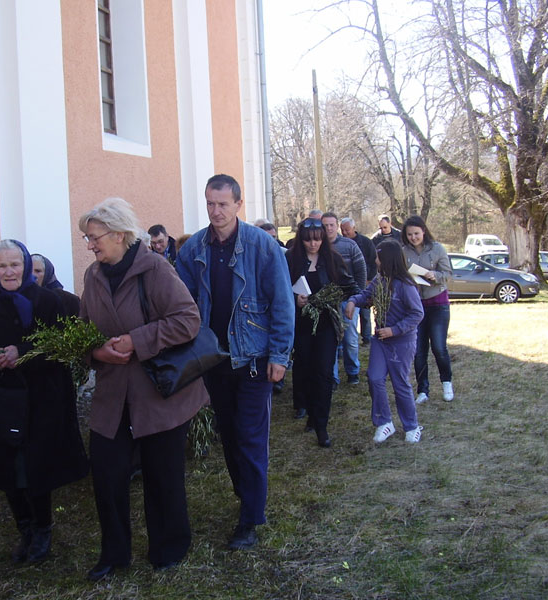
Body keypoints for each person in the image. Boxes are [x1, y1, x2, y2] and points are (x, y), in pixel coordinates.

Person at [78, 198, 208, 580]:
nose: (89, 245)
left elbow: (188, 320)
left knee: (162, 474)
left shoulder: (154, 268)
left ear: (119, 234)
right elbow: (83, 330)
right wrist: (96, 350)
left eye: (94, 237)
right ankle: (114, 553)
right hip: (112, 393)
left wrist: (137, 340)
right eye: (86, 238)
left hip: (158, 393)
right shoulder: (92, 275)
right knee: (106, 474)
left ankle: (169, 546)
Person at [176, 174, 294, 550]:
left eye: (223, 204)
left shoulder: (262, 247)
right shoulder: (193, 249)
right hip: (215, 362)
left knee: (250, 437)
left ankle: (250, 518)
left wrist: (279, 355)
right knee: (228, 434)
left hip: (255, 360)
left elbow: (282, 304)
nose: (216, 211)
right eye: (210, 204)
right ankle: (247, 495)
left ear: (238, 205)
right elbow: (182, 304)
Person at [0, 239, 90, 564]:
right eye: (2, 265)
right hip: (1, 400)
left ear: (26, 266)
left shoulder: (48, 301)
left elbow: (60, 346)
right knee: (7, 467)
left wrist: (23, 353)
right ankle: (25, 528)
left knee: (36, 467)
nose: (9, 271)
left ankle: (43, 530)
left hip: (43, 399)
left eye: (15, 264)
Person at [345, 240, 424, 443]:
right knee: (374, 378)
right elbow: (366, 295)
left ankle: (411, 426)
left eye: (379, 257)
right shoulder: (380, 281)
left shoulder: (405, 286)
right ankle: (384, 422)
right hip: (380, 340)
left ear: (388, 259)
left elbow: (417, 313)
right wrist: (353, 301)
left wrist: (395, 330)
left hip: (401, 342)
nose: (376, 261)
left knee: (400, 384)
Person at [286, 218, 355, 447]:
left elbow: (349, 286)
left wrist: (346, 301)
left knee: (324, 373)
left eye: (317, 239)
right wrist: (295, 300)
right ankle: (311, 414)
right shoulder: (290, 260)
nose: (312, 244)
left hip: (325, 324)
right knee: (305, 371)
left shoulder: (332, 259)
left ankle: (321, 425)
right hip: (301, 326)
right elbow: (279, 290)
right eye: (307, 240)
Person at [401, 216, 454, 403]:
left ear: (423, 231)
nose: (413, 237)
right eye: (409, 235)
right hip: (416, 306)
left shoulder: (437, 248)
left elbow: (448, 273)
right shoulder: (403, 252)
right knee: (419, 350)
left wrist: (435, 275)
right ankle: (423, 390)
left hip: (438, 303)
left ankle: (446, 382)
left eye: (416, 233)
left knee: (439, 347)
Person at [321, 212, 366, 386]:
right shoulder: (319, 247)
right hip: (328, 301)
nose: (329, 228)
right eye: (325, 225)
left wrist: (358, 298)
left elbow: (361, 271)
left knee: (350, 338)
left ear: (337, 225)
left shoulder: (349, 245)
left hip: (349, 300)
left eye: (332, 225)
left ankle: (353, 371)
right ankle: (332, 377)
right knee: (330, 340)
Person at [341, 218, 377, 345]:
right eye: (342, 230)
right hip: (349, 285)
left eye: (347, 230)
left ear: (354, 228)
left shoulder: (366, 242)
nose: (344, 233)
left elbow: (374, 262)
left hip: (365, 281)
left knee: (365, 313)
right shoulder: (341, 243)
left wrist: (369, 279)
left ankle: (367, 337)